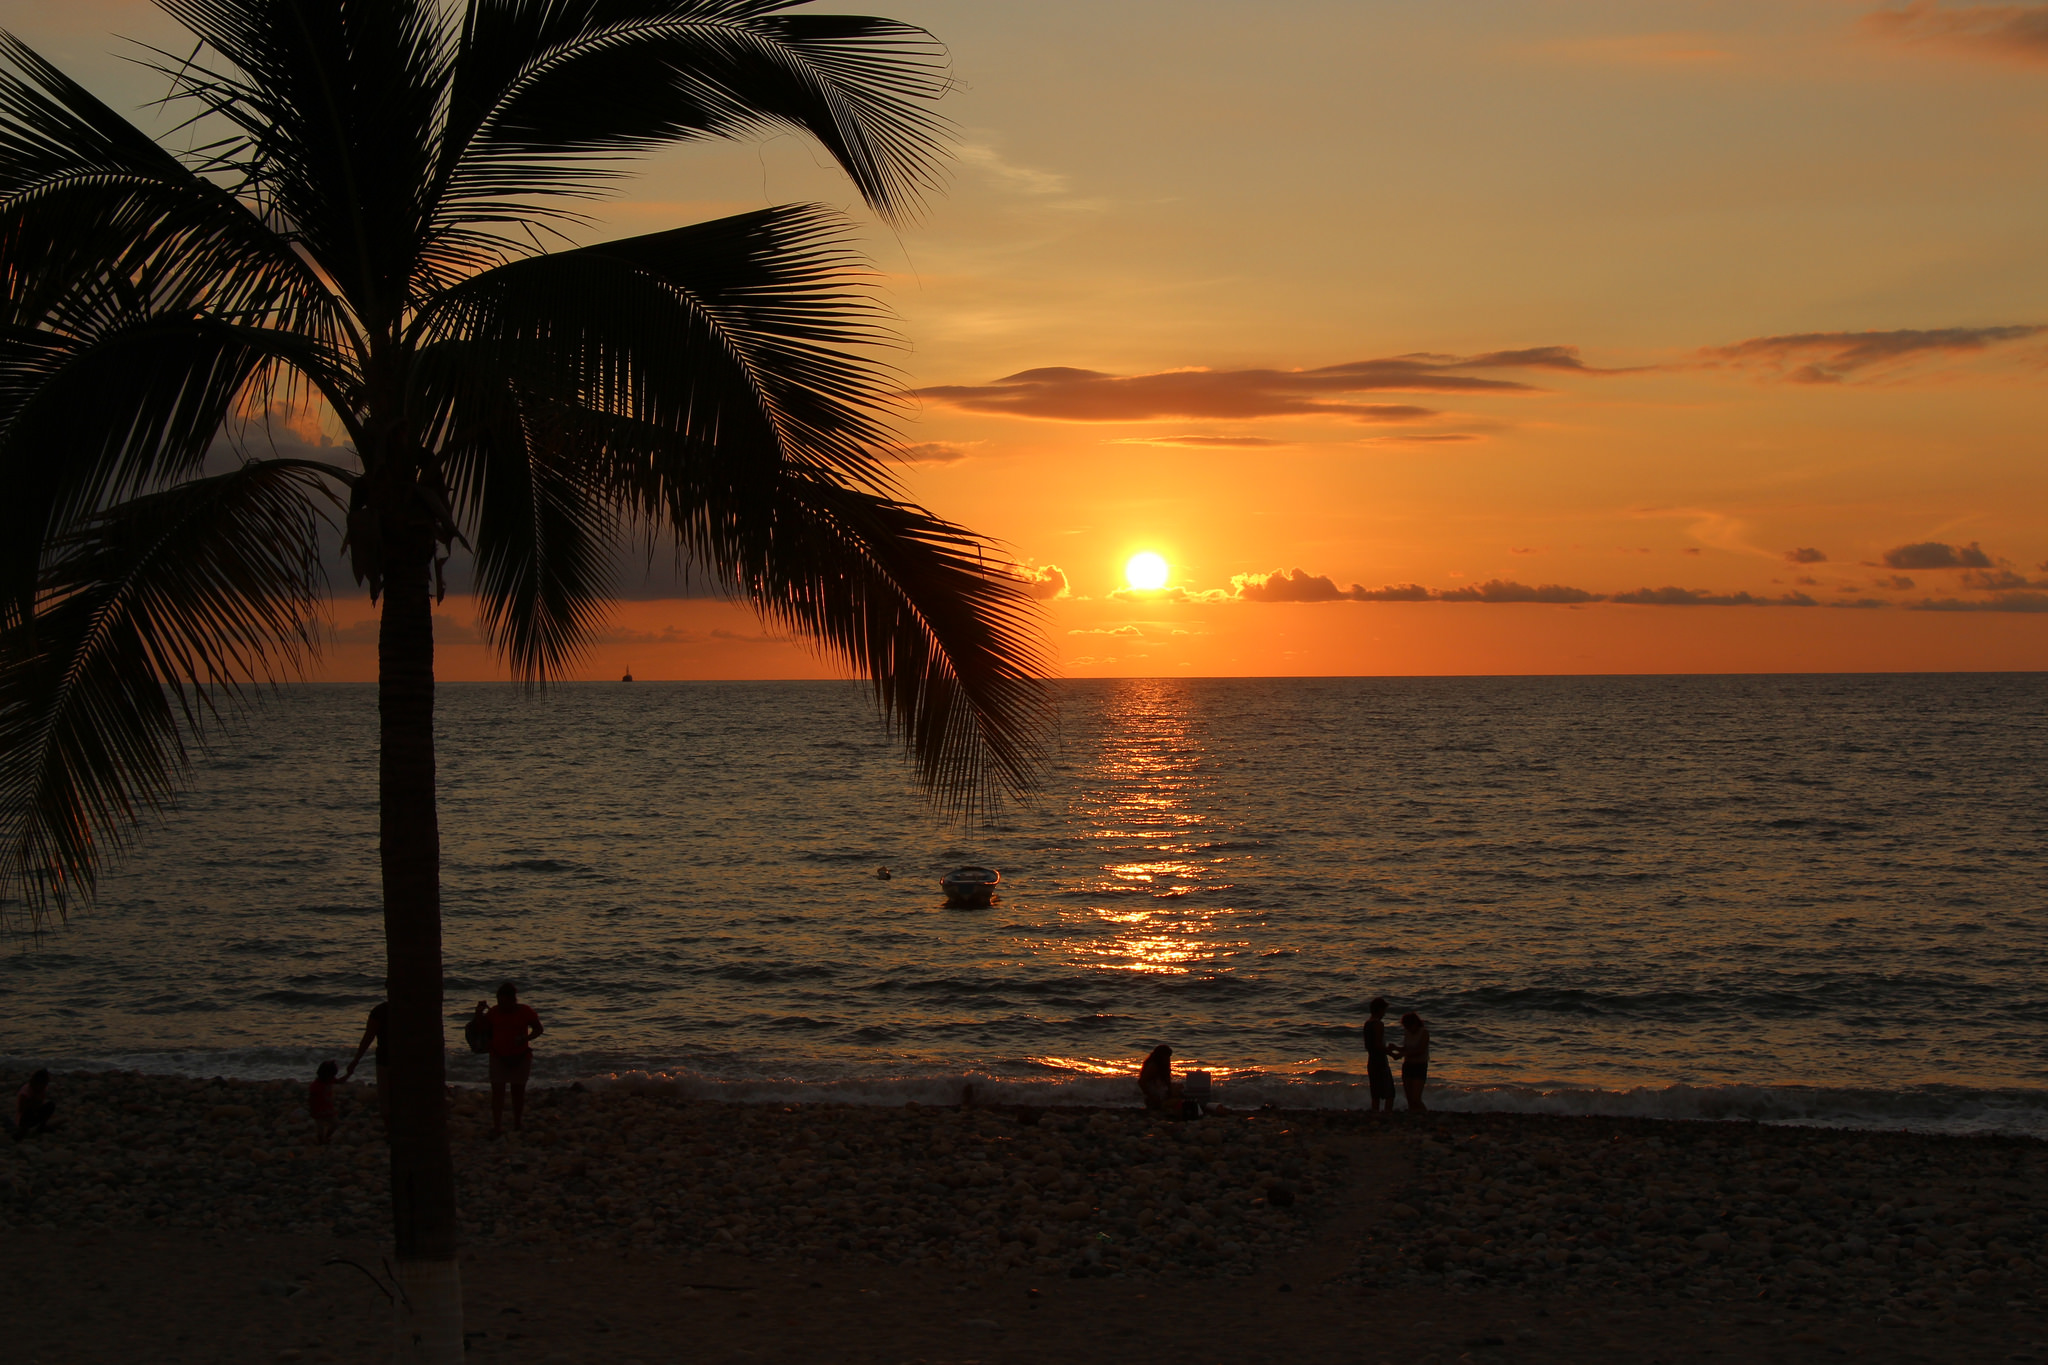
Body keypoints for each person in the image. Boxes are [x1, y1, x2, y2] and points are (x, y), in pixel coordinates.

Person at [481, 982, 543, 1137]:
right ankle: (497, 1126)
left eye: (504, 1001)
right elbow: (481, 1030)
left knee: (518, 1092)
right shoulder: (494, 1012)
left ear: (512, 1000)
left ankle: (517, 1123)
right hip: (498, 1055)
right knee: (498, 1092)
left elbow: (538, 1029)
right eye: (498, 1001)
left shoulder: (525, 1011)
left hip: (520, 1056)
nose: (501, 1005)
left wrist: (526, 1037)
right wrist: (478, 1014)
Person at [341, 1000, 389, 1124]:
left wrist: (356, 1060)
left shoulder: (380, 1011)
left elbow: (368, 1037)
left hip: (386, 1059)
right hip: (397, 1058)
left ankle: (391, 1126)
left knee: (386, 1097)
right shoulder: (411, 1009)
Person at [1392, 1011, 1431, 1113]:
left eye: (1408, 1026)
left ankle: (1425, 1115)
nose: (1407, 1029)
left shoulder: (1424, 1033)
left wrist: (1403, 1054)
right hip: (1408, 1065)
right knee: (1409, 1098)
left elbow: (1420, 1050)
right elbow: (1406, 1049)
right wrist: (1396, 1048)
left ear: (1415, 1024)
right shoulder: (1407, 1033)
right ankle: (1413, 1116)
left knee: (1416, 1098)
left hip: (1420, 1065)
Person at [1362, 997, 1396, 1113]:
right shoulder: (1378, 1024)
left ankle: (1375, 1113)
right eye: (1384, 1010)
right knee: (1390, 1093)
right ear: (1380, 1010)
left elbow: (1369, 1045)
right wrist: (1390, 1052)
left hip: (1371, 1060)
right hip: (1380, 1061)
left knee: (1375, 1093)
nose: (1384, 1014)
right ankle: (1387, 1114)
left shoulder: (1367, 1024)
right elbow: (1378, 1045)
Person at [1137, 1044, 1180, 1113]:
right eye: (1166, 1056)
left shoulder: (1163, 1066)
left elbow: (1167, 1082)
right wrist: (1152, 1097)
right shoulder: (1153, 1066)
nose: (1168, 1059)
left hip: (1160, 1091)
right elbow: (1141, 1082)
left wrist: (1170, 1091)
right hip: (1155, 1093)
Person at [13, 1069, 54, 1140]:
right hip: (23, 1119)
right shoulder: (25, 1092)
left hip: (34, 1114)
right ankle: (23, 1131)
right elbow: (22, 1109)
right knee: (29, 1111)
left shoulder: (42, 1089)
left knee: (51, 1105)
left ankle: (41, 1126)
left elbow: (40, 1104)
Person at [309, 1060, 339, 1145]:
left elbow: (339, 1081)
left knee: (335, 1124)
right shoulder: (316, 1085)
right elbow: (311, 1098)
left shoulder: (329, 1080)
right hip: (318, 1108)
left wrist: (348, 1074)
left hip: (327, 1106)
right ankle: (321, 1141)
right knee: (320, 1127)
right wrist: (312, 1109)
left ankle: (327, 1137)